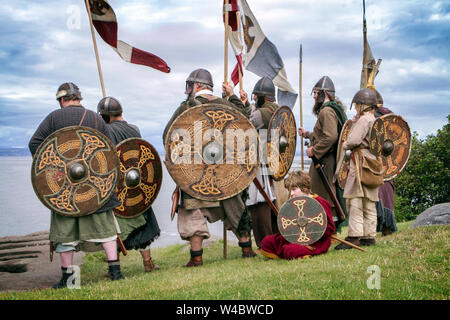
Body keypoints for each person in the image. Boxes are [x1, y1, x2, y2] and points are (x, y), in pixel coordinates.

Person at [28, 82, 124, 288]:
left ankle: (71, 281)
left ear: (62, 100)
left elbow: (35, 144)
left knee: (66, 234)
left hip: (65, 186)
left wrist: (54, 169)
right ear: (79, 98)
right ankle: (116, 273)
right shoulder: (95, 118)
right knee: (106, 230)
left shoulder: (54, 118)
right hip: (96, 186)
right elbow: (110, 149)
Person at [163, 69, 256, 267]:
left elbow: (168, 136)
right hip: (227, 171)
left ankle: (197, 258)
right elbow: (246, 120)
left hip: (195, 173)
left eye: (190, 86)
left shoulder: (185, 108)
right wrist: (231, 96)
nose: (188, 89)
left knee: (192, 210)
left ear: (196, 86)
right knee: (234, 204)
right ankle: (247, 249)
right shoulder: (225, 104)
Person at [97, 96, 161, 273]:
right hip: (137, 185)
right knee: (143, 221)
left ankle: (113, 268)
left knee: (115, 228)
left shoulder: (105, 132)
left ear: (104, 116)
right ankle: (147, 263)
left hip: (118, 189)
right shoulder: (134, 129)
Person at [335, 88, 383, 249]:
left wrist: (345, 143)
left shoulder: (364, 120)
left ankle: (354, 236)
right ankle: (369, 236)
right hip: (372, 162)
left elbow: (353, 140)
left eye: (357, 105)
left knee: (354, 199)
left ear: (363, 105)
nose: (355, 108)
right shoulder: (375, 119)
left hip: (360, 162)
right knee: (369, 201)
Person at [297, 76, 348, 226]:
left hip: (324, 163)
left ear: (323, 93)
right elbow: (323, 135)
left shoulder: (326, 112)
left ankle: (328, 229)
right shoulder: (333, 109)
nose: (313, 96)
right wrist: (307, 134)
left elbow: (331, 137)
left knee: (324, 197)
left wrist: (314, 150)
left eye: (315, 92)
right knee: (324, 196)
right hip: (327, 160)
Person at [239, 77, 279, 248]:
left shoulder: (261, 113)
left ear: (264, 97)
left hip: (259, 163)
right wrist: (248, 103)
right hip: (275, 163)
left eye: (256, 96)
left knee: (258, 202)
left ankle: (265, 242)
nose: (255, 99)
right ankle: (277, 237)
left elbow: (244, 127)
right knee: (271, 199)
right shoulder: (278, 110)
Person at [260, 170, 336, 260]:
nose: (291, 193)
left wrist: (310, 235)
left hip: (315, 242)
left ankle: (305, 251)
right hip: (294, 238)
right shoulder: (293, 202)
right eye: (289, 190)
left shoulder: (320, 202)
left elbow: (330, 228)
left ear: (304, 188)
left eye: (294, 189)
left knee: (291, 250)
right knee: (267, 242)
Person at [373, 89, 398, 236]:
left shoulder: (377, 118)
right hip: (387, 163)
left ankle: (384, 227)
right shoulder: (390, 116)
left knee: (381, 194)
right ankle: (385, 228)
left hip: (380, 162)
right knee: (385, 194)